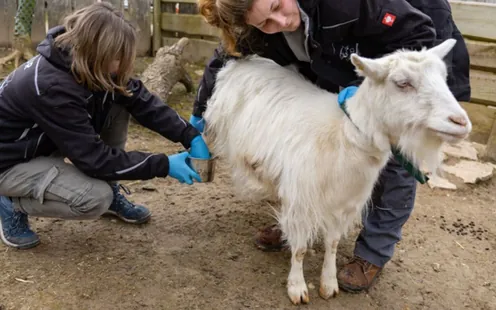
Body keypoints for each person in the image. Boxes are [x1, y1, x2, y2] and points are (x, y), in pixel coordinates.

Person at [189, 0, 470, 293]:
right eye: (265, 23)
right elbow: (225, 55)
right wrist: (198, 113)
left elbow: (418, 33)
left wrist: (375, 93)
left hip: (411, 52)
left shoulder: (345, 5)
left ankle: (372, 253)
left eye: (277, 5)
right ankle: (300, 221)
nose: (280, 22)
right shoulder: (263, 25)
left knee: (392, 156)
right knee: (327, 145)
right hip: (342, 59)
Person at [0, 2, 210, 250]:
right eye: (119, 58)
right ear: (96, 52)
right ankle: (11, 202)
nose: (123, 66)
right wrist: (163, 164)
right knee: (95, 198)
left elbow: (140, 99)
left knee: (119, 99)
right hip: (10, 162)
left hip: (44, 141)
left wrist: (189, 135)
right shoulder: (52, 88)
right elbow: (94, 159)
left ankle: (108, 185)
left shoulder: (87, 63)